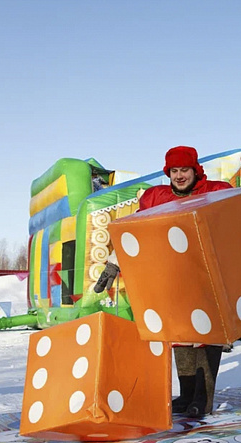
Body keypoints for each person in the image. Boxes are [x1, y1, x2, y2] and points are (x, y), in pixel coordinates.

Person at [95, 145, 232, 419]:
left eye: (185, 170)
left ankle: (202, 399)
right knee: (179, 335)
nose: (180, 176)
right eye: (174, 171)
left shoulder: (215, 192)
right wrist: (113, 262)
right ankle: (186, 394)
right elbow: (136, 229)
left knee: (205, 335)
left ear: (195, 170)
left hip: (205, 276)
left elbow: (235, 223)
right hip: (171, 278)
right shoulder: (156, 198)